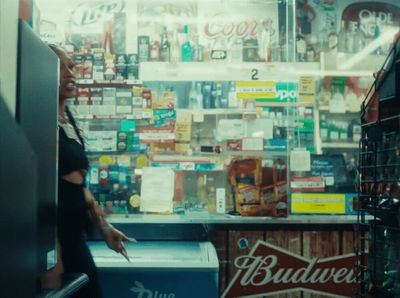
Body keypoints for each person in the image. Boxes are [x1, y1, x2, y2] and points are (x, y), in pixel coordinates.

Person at [49, 44, 135, 297]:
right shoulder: (39, 119)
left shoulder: (69, 120)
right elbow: (37, 192)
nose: (70, 73)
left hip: (75, 236)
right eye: (61, 67)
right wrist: (53, 254)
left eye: (71, 66)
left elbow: (80, 186)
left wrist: (104, 228)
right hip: (56, 239)